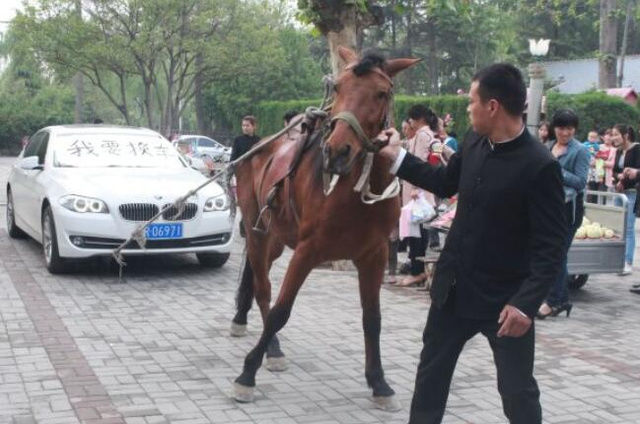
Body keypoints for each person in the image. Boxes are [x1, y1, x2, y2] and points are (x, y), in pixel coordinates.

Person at [378, 63, 567, 423]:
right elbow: (445, 180)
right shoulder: (475, 141)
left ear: (492, 106)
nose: (468, 109)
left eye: (472, 102)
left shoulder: (539, 166)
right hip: (454, 289)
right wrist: (397, 156)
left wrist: (525, 305)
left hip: (505, 302)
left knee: (516, 389)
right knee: (431, 375)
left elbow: (551, 245)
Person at [537, 109, 589, 319]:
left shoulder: (580, 150)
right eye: (561, 128)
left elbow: (580, 181)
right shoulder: (548, 146)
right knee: (550, 255)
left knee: (556, 255)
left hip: (568, 210)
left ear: (575, 129)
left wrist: (555, 167)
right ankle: (560, 298)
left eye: (569, 128)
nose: (565, 133)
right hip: (547, 209)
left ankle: (554, 301)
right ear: (554, 128)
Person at [396, 105, 439, 287]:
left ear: (417, 119)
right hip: (418, 193)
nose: (409, 123)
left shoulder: (423, 135)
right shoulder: (423, 135)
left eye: (411, 120)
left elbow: (420, 163)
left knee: (417, 236)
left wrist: (415, 187)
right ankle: (417, 270)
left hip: (417, 194)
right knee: (417, 234)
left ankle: (417, 272)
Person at [611, 124, 640, 275]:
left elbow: (636, 171)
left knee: (628, 228)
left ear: (625, 136)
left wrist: (625, 178)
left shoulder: (636, 149)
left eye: (616, 134)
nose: (613, 138)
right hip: (619, 193)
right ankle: (617, 260)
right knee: (617, 227)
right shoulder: (618, 151)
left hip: (631, 192)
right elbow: (615, 171)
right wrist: (618, 178)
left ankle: (628, 262)